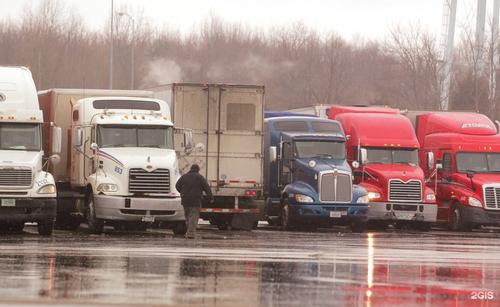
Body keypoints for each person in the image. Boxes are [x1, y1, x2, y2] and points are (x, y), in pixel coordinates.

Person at [175, 164, 213, 239]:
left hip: (185, 200)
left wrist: (182, 192)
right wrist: (210, 197)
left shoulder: (184, 176)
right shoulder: (200, 177)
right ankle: (190, 234)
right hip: (195, 200)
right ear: (198, 170)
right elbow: (207, 187)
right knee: (193, 217)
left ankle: (188, 232)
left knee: (187, 217)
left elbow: (177, 185)